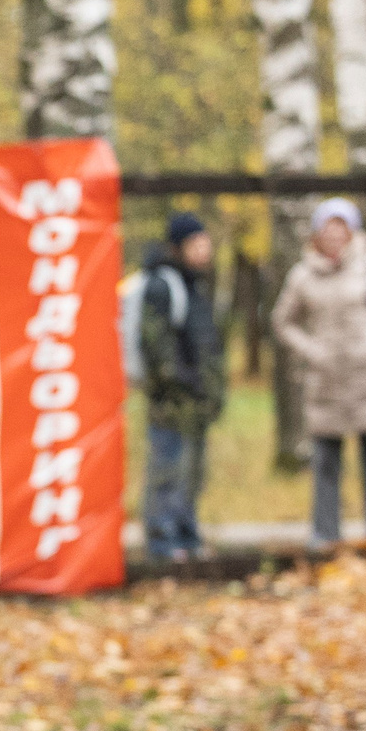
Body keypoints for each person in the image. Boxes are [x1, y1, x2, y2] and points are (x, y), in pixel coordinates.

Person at [270, 197, 366, 547]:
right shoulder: (302, 275)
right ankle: (324, 538)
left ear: (353, 232)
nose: (335, 237)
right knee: (326, 464)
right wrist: (311, 350)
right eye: (329, 229)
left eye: (342, 229)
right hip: (325, 381)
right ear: (317, 234)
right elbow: (283, 322)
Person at [137, 211, 226, 562]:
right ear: (179, 247)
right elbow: (155, 344)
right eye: (197, 244)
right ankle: (162, 542)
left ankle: (186, 537)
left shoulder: (194, 284)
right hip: (172, 402)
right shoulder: (163, 285)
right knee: (167, 470)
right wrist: (180, 379)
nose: (205, 251)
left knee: (192, 474)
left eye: (207, 243)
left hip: (196, 401)